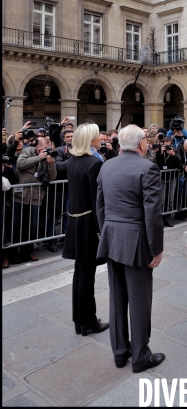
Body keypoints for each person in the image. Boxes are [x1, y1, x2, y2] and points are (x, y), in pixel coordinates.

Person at [96, 125, 165, 373]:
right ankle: (140, 356)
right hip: (136, 242)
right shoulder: (148, 168)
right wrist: (156, 248)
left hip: (112, 237)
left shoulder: (106, 165)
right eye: (146, 139)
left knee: (116, 298)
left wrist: (107, 233)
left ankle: (119, 353)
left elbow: (100, 207)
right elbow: (153, 214)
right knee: (139, 300)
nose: (147, 143)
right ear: (141, 144)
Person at [62, 123, 109, 337]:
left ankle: (79, 321)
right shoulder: (93, 164)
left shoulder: (73, 160)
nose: (101, 138)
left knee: (80, 272)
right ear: (91, 140)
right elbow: (97, 201)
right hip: (89, 223)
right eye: (98, 136)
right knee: (86, 273)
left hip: (75, 221)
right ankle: (88, 320)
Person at [13, 135, 57, 263]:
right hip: (21, 196)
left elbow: (52, 178)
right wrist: (38, 158)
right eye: (44, 148)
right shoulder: (28, 151)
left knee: (33, 226)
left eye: (48, 148)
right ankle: (15, 252)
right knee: (17, 225)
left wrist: (51, 163)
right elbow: (20, 164)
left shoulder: (49, 157)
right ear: (38, 147)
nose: (46, 151)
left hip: (37, 197)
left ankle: (29, 251)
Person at [154, 136, 182, 226]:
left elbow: (180, 164)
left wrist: (173, 154)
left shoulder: (175, 150)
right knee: (162, 199)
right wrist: (161, 152)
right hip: (162, 178)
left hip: (172, 178)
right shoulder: (160, 151)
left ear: (171, 143)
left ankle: (168, 218)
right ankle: (161, 217)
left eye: (168, 143)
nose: (167, 146)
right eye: (165, 143)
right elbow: (158, 163)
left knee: (170, 199)